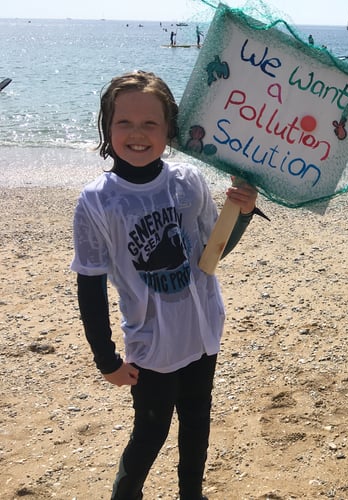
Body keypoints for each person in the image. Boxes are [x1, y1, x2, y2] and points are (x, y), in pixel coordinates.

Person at [71, 70, 264, 499]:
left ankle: (191, 493)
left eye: (150, 123)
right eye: (124, 122)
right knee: (151, 431)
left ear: (169, 130)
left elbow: (212, 255)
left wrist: (244, 213)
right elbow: (90, 285)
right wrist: (106, 359)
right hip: (151, 345)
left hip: (202, 332)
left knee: (197, 422)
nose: (137, 134)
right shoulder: (98, 200)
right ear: (107, 127)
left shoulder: (188, 182)